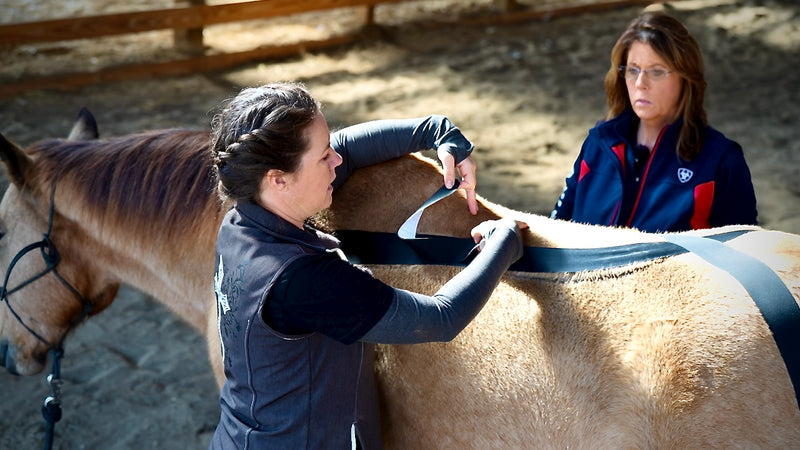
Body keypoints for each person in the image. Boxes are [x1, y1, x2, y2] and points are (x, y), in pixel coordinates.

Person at [208, 82, 524, 449]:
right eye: (323, 157)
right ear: (278, 179)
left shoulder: (242, 218)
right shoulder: (303, 281)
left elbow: (348, 148)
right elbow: (440, 318)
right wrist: (504, 242)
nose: (337, 161)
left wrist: (435, 131)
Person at [551, 11, 757, 232]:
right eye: (633, 70)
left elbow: (742, 255)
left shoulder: (721, 162)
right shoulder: (598, 143)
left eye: (656, 72)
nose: (641, 83)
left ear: (685, 79)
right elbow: (556, 229)